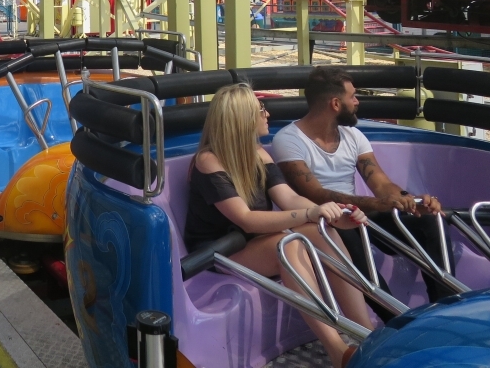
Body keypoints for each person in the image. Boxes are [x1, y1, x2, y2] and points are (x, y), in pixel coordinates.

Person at [185, 83, 370, 367]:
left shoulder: (259, 154)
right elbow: (246, 220)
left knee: (320, 230)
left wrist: (330, 216)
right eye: (261, 110)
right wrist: (310, 214)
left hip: (252, 242)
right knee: (290, 244)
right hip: (219, 251)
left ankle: (366, 335)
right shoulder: (208, 161)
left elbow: (290, 198)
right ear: (243, 119)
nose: (267, 114)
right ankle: (336, 350)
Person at [273, 66, 453, 323]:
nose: (357, 102)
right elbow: (315, 193)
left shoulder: (353, 135)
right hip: (322, 221)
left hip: (358, 213)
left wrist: (409, 200)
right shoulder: (289, 140)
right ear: (336, 103)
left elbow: (380, 182)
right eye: (353, 96)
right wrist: (378, 203)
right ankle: (399, 324)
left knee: (429, 221)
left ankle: (445, 309)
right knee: (349, 239)